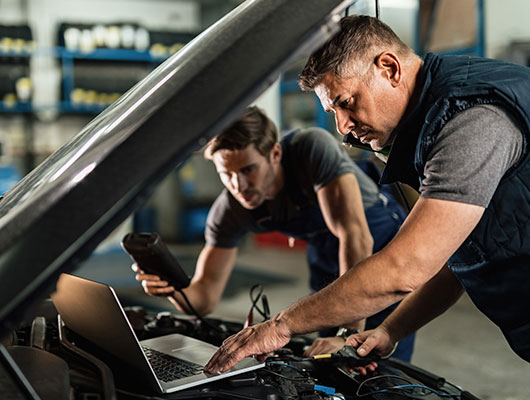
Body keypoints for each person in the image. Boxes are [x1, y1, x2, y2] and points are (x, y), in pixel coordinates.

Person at [205, 14, 530, 374]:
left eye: (346, 102)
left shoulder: (469, 120)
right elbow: (454, 260)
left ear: (389, 68)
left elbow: (406, 267)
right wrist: (390, 329)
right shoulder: (429, 125)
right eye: (333, 111)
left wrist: (281, 326)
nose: (342, 126)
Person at [133, 105, 415, 360]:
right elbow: (204, 298)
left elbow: (355, 235)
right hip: (327, 260)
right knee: (326, 363)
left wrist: (345, 336)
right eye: (226, 174)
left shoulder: (310, 150)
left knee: (375, 364)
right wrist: (172, 288)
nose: (239, 185)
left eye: (248, 169)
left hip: (378, 248)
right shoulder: (229, 211)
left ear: (275, 154)